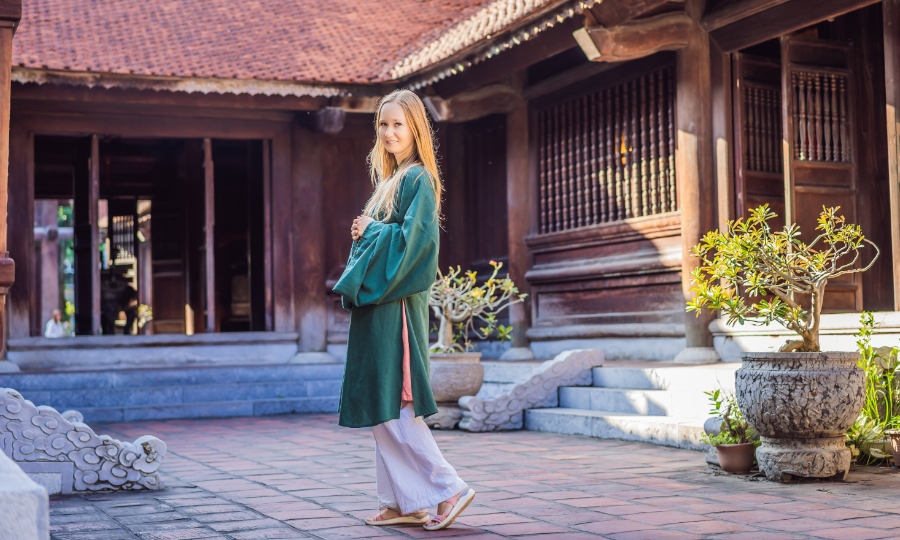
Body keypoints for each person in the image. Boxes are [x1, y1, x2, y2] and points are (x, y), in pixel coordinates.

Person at [333, 89, 475, 531]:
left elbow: (418, 248)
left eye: (399, 124)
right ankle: (404, 501)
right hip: (378, 307)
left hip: (394, 307)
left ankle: (447, 488)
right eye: (383, 124)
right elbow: (385, 234)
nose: (390, 132)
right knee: (380, 402)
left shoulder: (419, 180)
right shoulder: (390, 181)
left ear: (416, 129)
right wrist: (368, 229)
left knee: (394, 402)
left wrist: (372, 229)